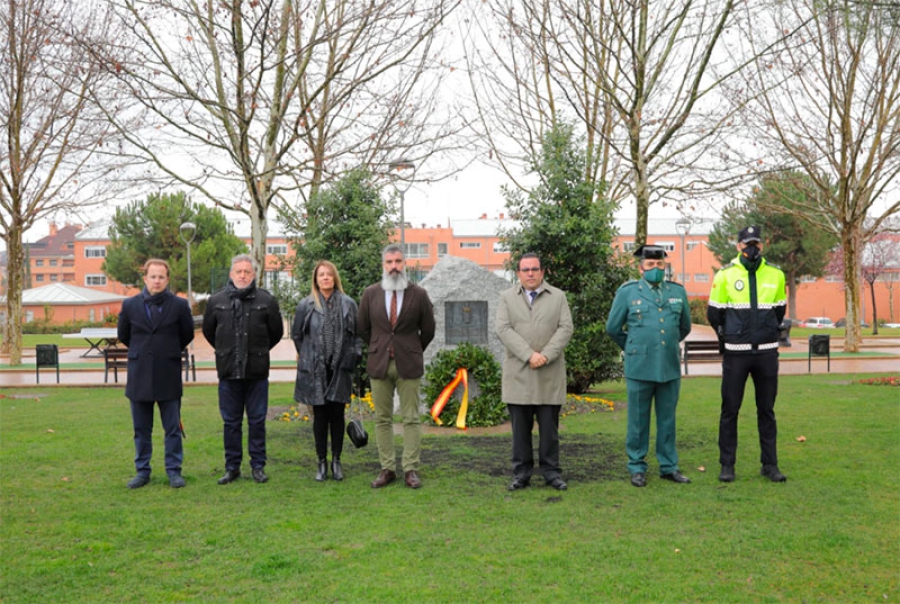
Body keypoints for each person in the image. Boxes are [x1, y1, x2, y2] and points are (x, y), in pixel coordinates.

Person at [606, 245, 692, 488]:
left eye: (660, 265)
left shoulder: (677, 292)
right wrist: (633, 346)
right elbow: (613, 328)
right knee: (638, 420)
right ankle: (637, 466)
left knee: (667, 420)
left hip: (668, 365)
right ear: (640, 267)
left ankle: (668, 466)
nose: (656, 269)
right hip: (640, 365)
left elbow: (684, 326)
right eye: (651, 265)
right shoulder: (627, 292)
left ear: (665, 266)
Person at [707, 226, 788, 483]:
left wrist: (764, 332)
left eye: (756, 243)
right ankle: (727, 465)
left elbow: (779, 311)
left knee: (767, 410)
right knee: (730, 410)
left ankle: (770, 465)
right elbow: (714, 313)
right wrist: (730, 336)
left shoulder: (776, 274)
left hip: (765, 353)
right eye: (746, 243)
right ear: (738, 246)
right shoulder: (725, 275)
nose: (751, 248)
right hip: (736, 354)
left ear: (761, 245)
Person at [358, 244, 435, 489]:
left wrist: (412, 348)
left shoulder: (419, 294)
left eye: (398, 261)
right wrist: (379, 346)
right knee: (382, 418)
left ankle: (410, 469)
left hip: (408, 363)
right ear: (383, 265)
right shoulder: (370, 294)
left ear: (405, 264)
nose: (394, 267)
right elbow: (363, 328)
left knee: (411, 417)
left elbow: (429, 330)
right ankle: (387, 468)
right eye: (389, 262)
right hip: (379, 362)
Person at [202, 254, 284, 485]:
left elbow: (275, 333)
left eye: (247, 272)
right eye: (238, 271)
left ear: (254, 275)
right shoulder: (216, 301)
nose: (242, 275)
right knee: (231, 423)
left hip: (256, 373)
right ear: (231, 274)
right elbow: (210, 332)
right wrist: (226, 351)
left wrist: (257, 351)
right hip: (228, 373)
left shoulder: (266, 301)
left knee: (257, 421)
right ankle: (232, 467)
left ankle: (258, 466)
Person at [496, 252, 574, 492]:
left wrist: (545, 355)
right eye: (525, 270)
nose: (530, 273)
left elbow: (566, 328)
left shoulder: (558, 297)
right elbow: (503, 328)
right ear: (518, 273)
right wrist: (529, 355)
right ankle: (521, 474)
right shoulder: (506, 298)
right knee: (520, 431)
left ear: (542, 272)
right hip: (519, 373)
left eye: (534, 269)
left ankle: (551, 472)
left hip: (549, 374)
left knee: (549, 430)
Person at [117, 259, 194, 489]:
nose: (157, 280)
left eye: (161, 277)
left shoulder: (180, 306)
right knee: (141, 429)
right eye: (153, 276)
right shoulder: (130, 305)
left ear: (167, 279)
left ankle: (174, 471)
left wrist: (165, 350)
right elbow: (125, 335)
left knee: (172, 428)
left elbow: (186, 334)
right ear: (145, 278)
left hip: (168, 373)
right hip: (139, 374)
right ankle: (142, 471)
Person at [291, 261, 361, 482]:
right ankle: (321, 461)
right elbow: (297, 335)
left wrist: (352, 358)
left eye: (329, 274)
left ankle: (336, 461)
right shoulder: (306, 304)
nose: (325, 278)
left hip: (340, 368)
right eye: (321, 275)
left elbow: (358, 336)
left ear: (335, 278)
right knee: (320, 417)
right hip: (316, 370)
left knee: (337, 416)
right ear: (316, 278)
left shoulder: (348, 304)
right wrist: (308, 357)